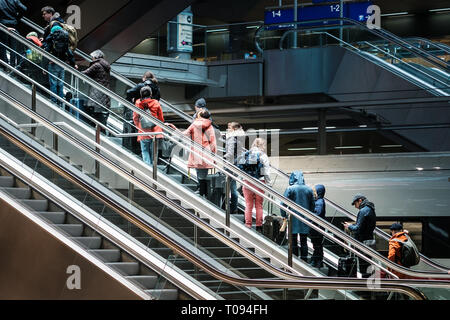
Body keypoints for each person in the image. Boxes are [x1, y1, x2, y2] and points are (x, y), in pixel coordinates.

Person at [280, 171, 315, 262]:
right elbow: (312, 205)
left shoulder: (290, 189)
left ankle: (294, 259)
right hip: (305, 219)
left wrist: (284, 215)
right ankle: (304, 260)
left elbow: (283, 203)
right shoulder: (309, 189)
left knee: (293, 240)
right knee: (304, 241)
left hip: (293, 219)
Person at [42, 24, 76, 107]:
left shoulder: (52, 39)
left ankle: (54, 100)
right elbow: (69, 53)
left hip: (52, 64)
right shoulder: (64, 39)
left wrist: (44, 66)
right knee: (60, 83)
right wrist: (73, 64)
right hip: (62, 64)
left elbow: (45, 52)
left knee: (53, 83)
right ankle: (60, 101)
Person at [343, 194, 376, 277]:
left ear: (360, 200)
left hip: (362, 242)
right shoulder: (371, 209)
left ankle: (363, 287)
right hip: (369, 241)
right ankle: (368, 285)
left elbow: (358, 228)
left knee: (363, 266)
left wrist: (349, 226)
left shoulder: (363, 211)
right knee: (368, 265)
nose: (355, 206)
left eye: (355, 203)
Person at [242, 138, 271, 232]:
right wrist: (269, 184)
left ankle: (248, 224)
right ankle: (259, 225)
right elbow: (266, 171)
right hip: (259, 182)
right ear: (263, 145)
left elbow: (242, 168)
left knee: (248, 204)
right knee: (259, 205)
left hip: (247, 182)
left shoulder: (247, 154)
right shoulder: (263, 156)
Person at [133, 86, 164, 166]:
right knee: (154, 152)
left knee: (145, 151)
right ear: (151, 93)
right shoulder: (156, 102)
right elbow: (161, 118)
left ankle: (148, 169)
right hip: (155, 132)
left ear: (141, 94)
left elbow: (135, 117)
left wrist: (138, 126)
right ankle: (154, 169)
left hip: (144, 132)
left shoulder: (138, 103)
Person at [82, 50, 111, 129]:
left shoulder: (97, 65)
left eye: (92, 57)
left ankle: (95, 128)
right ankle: (101, 129)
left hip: (97, 92)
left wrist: (75, 70)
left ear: (95, 57)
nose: (92, 58)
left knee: (93, 110)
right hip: (104, 92)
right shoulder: (105, 65)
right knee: (100, 112)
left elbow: (86, 73)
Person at [223, 122, 245, 214]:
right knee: (233, 186)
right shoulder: (239, 137)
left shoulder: (232, 137)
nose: (228, 129)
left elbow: (231, 152)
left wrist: (223, 157)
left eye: (229, 127)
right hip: (236, 163)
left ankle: (231, 208)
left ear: (234, 129)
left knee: (231, 187)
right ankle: (233, 208)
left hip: (231, 164)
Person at [0, 0, 27, 68]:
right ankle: (12, 65)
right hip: (13, 24)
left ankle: (4, 64)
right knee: (13, 46)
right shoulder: (14, 0)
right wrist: (17, 18)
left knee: (2, 45)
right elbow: (24, 9)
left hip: (2, 25)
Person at [309, 184, 326, 268]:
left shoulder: (319, 202)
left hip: (317, 228)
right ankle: (317, 261)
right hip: (318, 227)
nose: (313, 193)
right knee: (317, 245)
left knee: (317, 245)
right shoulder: (319, 201)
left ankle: (317, 261)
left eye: (315, 191)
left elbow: (317, 213)